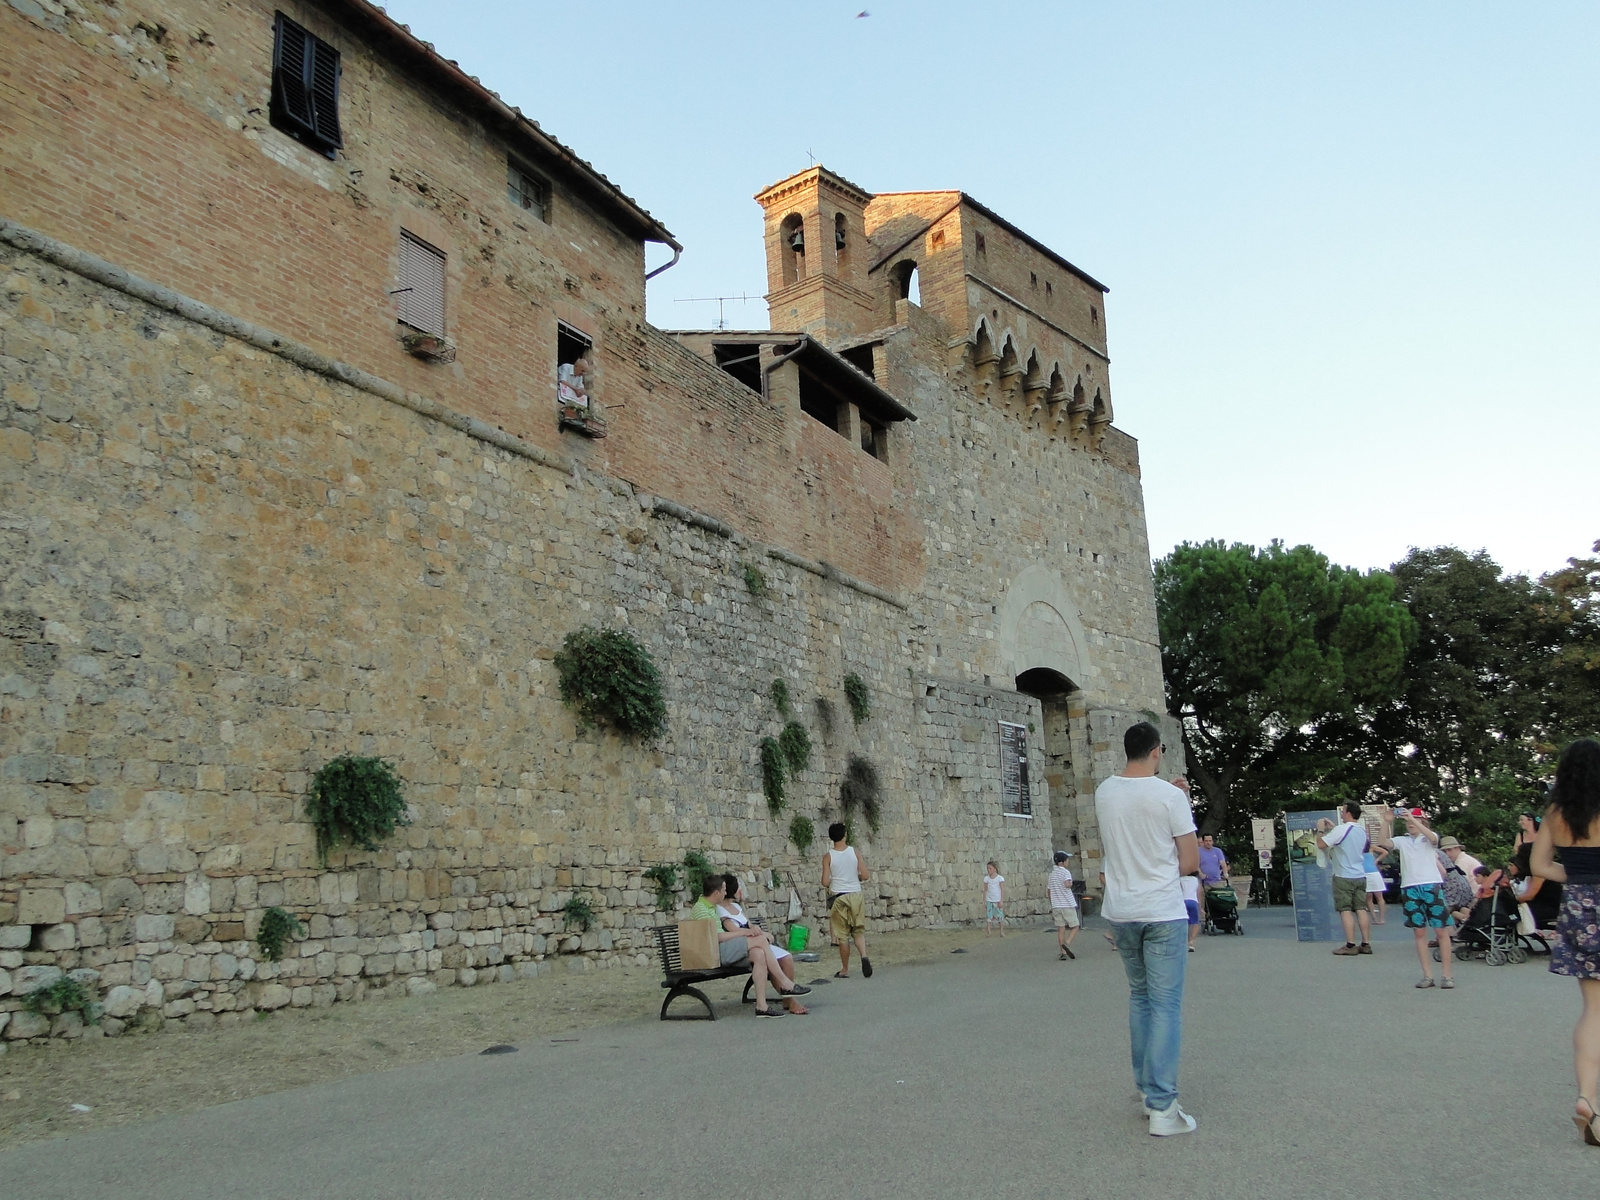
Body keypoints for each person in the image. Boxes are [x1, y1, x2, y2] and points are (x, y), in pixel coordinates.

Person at [1095, 721, 1200, 1136]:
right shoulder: (1170, 796)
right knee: (1166, 1005)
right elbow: (1189, 861)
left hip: (1121, 909)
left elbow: (1129, 829)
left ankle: (1145, 1090)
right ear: (1157, 751)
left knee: (1140, 998)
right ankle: (1163, 1106)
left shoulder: (1104, 792)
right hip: (1160, 909)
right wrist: (1178, 798)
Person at [1529, 737, 1600, 1146]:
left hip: (1579, 908)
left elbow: (1538, 865)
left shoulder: (1556, 813)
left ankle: (1587, 1097)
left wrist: (1577, 877)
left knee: (1593, 1009)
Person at [691, 874, 807, 1018]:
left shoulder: (711, 906)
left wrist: (749, 931)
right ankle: (785, 983)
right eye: (724, 890)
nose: (726, 893)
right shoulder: (702, 909)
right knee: (760, 941)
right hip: (714, 952)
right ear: (716, 893)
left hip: (721, 948)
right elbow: (717, 937)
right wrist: (747, 932)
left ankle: (761, 1006)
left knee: (759, 953)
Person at [1394, 812, 1455, 989]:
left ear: (1423, 821)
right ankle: (1427, 975)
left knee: (1440, 931)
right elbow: (1384, 842)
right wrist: (1386, 821)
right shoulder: (1402, 840)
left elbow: (1434, 839)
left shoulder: (1429, 838)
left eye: (1415, 820)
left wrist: (1414, 820)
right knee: (1419, 932)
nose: (1410, 823)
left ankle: (1447, 975)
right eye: (1408, 821)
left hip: (1430, 886)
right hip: (1410, 887)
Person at [1316, 803, 1373, 955]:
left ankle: (1350, 945)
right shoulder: (1361, 830)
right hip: (1359, 874)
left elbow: (1321, 844)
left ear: (1348, 813)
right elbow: (1346, 839)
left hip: (1343, 875)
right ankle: (1366, 943)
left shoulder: (1342, 829)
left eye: (1343, 811)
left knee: (1345, 910)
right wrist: (1334, 828)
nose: (1341, 813)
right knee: (1361, 908)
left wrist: (1321, 829)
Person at [822, 822, 872, 979]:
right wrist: (854, 877)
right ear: (845, 836)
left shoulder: (828, 856)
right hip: (856, 895)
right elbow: (865, 875)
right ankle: (864, 955)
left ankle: (845, 969)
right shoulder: (854, 852)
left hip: (840, 897)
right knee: (858, 931)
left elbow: (824, 881)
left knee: (842, 935)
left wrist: (834, 880)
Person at [1047, 851, 1080, 960]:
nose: (1068, 862)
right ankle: (1067, 942)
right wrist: (1070, 884)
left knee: (1061, 928)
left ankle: (1062, 953)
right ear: (1062, 862)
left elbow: (1049, 890)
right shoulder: (1065, 872)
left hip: (1056, 905)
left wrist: (1052, 902)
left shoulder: (1052, 875)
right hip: (1067, 904)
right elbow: (1067, 884)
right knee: (1075, 926)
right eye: (1067, 860)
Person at [1364, 844, 1390, 925]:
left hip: (1373, 873)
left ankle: (1382, 918)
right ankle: (1374, 918)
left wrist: (1377, 860)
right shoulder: (1356, 848)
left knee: (1379, 895)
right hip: (1363, 874)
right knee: (1368, 896)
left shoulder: (1371, 847)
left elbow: (1385, 852)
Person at [984, 861, 1006, 936]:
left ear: (995, 869)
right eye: (987, 868)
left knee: (1000, 916)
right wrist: (984, 901)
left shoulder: (1000, 878)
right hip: (989, 900)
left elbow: (1002, 889)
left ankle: (1001, 931)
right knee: (989, 917)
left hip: (997, 900)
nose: (988, 870)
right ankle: (989, 932)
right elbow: (985, 890)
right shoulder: (986, 879)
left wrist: (1001, 900)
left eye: (990, 868)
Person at [1180, 871, 1201, 952]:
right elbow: (1199, 893)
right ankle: (1191, 942)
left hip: (1183, 901)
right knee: (1195, 922)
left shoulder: (1180, 879)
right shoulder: (1195, 880)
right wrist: (1200, 907)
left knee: (1183, 922)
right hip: (1193, 901)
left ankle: (1182, 941)